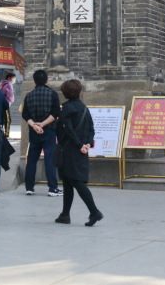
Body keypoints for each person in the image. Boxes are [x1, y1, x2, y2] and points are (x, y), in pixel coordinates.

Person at [54, 78, 103, 226]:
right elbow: (91, 128)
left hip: (70, 149)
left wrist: (79, 144)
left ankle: (94, 212)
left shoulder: (66, 109)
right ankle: (65, 214)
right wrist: (87, 143)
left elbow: (68, 130)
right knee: (68, 182)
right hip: (81, 149)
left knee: (76, 182)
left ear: (65, 92)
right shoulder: (84, 107)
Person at [22, 69, 62, 196]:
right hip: (49, 131)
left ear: (34, 81)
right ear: (47, 80)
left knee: (32, 159)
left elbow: (25, 114)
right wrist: (43, 124)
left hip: (34, 132)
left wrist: (34, 125)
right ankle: (52, 188)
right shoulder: (53, 94)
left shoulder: (29, 95)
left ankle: (29, 187)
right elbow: (55, 113)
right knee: (49, 159)